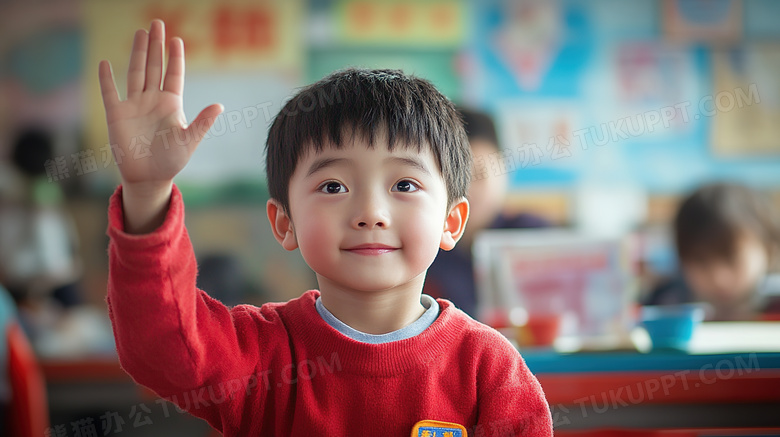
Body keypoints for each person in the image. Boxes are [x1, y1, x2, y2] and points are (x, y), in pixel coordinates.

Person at [98, 20, 552, 436]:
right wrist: (147, 191)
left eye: (405, 184)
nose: (371, 212)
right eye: (333, 185)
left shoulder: (488, 369)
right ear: (284, 222)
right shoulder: (260, 355)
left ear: (451, 222)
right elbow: (160, 348)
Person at [424, 108, 548, 318]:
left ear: (505, 169)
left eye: (480, 174)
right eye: (458, 176)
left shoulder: (536, 235)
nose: (469, 189)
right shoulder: (424, 247)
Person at [644, 183, 780, 321]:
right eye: (701, 261)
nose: (719, 278)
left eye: (731, 258)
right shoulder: (665, 306)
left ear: (769, 249)